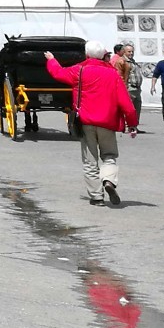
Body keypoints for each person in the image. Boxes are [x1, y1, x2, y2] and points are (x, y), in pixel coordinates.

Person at [46, 41, 139, 208]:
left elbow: (58, 73)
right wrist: (132, 124)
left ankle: (96, 197)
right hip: (107, 122)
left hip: (86, 121)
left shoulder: (79, 71)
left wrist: (51, 59)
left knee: (90, 160)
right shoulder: (112, 74)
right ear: (103, 55)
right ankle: (109, 181)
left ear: (87, 55)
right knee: (109, 156)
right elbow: (127, 104)